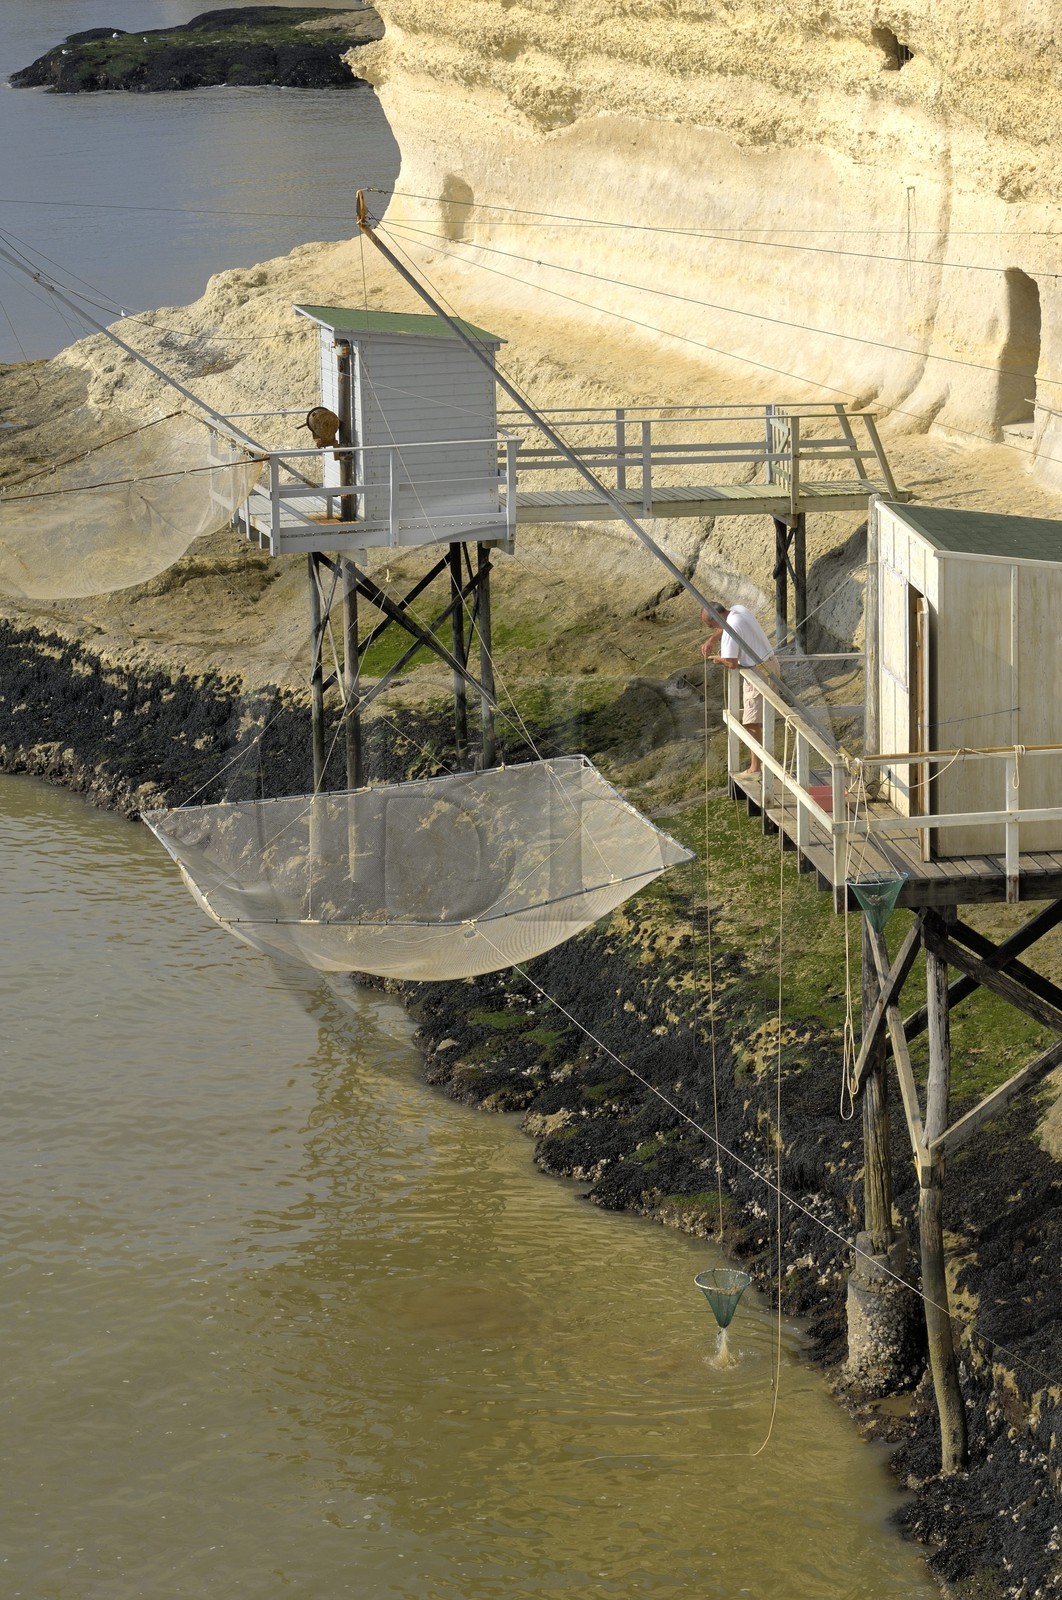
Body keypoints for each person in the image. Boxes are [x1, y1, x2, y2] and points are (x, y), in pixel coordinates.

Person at [700, 603, 779, 776]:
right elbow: (724, 627)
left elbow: (732, 663)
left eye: (710, 626)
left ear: (716, 618)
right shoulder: (738, 610)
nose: (711, 628)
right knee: (762, 717)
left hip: (759, 672)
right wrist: (712, 640)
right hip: (771, 663)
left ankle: (756, 767)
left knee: (751, 721)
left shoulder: (730, 628)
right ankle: (761, 763)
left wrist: (718, 659)